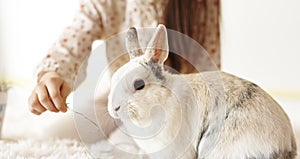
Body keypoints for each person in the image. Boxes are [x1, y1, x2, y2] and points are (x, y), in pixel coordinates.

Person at [28, 0, 221, 117]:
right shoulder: (107, 4)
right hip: (122, 105)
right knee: (55, 133)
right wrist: (53, 73)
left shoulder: (200, 5)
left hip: (179, 110)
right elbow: (75, 37)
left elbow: (208, 72)